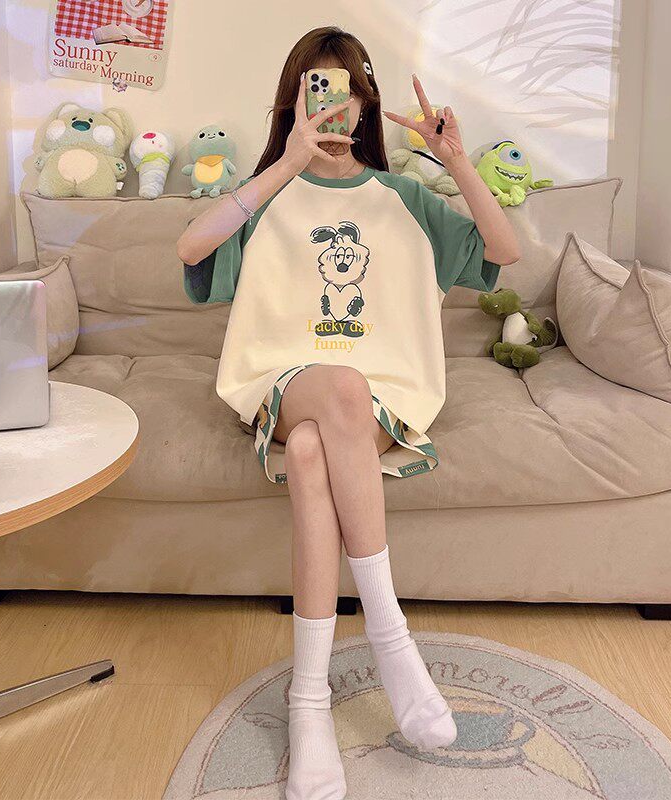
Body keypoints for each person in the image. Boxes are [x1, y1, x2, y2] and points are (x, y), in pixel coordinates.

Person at [177, 25, 520, 800]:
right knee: (336, 389)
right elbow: (192, 249)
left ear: (365, 103)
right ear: (294, 103)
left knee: (312, 447)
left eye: (345, 91)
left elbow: (506, 251)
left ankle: (308, 704)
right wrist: (286, 165)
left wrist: (455, 159)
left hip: (381, 391)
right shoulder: (268, 192)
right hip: (281, 378)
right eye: (316, 91)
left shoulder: (404, 198)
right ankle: (391, 637)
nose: (333, 107)